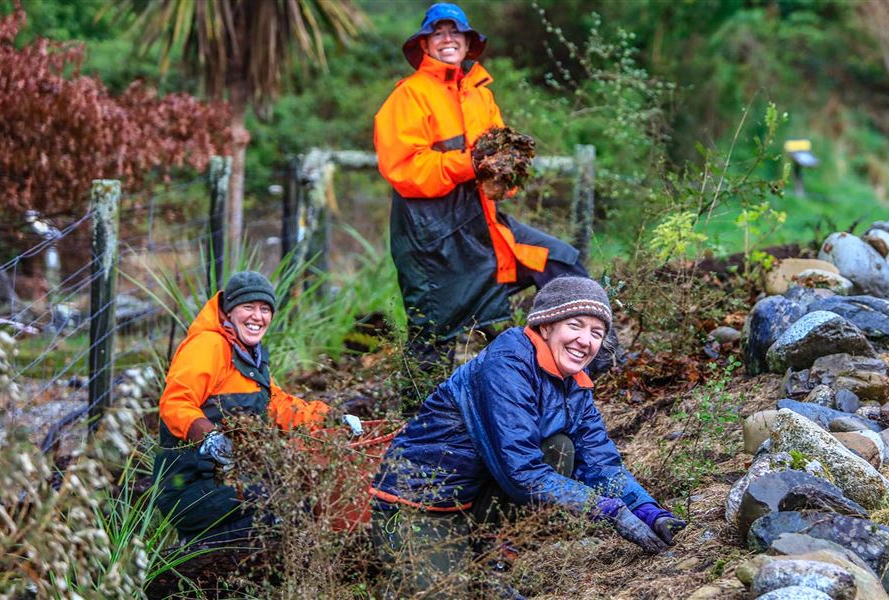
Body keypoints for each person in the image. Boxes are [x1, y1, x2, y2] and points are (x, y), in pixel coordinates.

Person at [369, 276, 687, 597]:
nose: (585, 340)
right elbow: (522, 473)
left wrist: (649, 512)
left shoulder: (574, 380)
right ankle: (425, 572)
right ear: (545, 326)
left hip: (474, 498)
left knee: (559, 448)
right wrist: (609, 510)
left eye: (597, 333)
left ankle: (489, 552)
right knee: (444, 593)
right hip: (416, 503)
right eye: (575, 325)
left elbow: (600, 462)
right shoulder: (507, 364)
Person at [373, 3, 591, 366]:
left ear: (467, 42)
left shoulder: (480, 93)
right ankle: (422, 420)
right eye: (438, 33)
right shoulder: (408, 96)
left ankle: (591, 366)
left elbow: (503, 160)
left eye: (455, 32)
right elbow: (405, 170)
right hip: (431, 237)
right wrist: (470, 162)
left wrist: (507, 175)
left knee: (560, 262)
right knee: (433, 331)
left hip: (484, 225)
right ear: (424, 44)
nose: (447, 39)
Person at [153, 271, 362, 544]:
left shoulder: (250, 354)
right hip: (188, 488)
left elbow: (277, 404)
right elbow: (175, 402)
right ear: (229, 311)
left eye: (265, 309)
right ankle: (195, 548)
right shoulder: (208, 345)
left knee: (295, 497)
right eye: (248, 307)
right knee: (274, 504)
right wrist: (208, 436)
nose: (257, 316)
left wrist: (332, 418)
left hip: (227, 481)